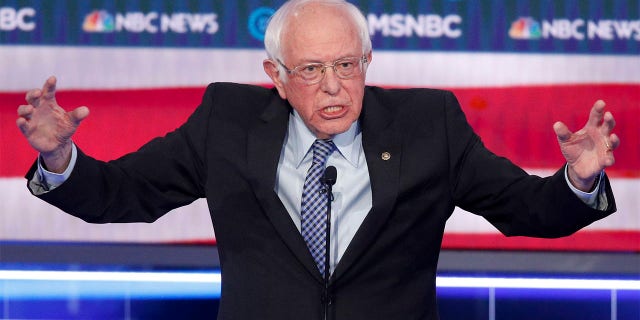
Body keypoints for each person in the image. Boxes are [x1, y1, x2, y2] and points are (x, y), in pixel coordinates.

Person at [16, 0, 620, 319]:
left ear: (367, 61)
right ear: (275, 76)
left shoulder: (428, 124)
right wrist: (62, 156)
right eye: (311, 69)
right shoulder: (226, 123)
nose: (333, 86)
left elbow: (525, 209)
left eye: (347, 64)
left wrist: (579, 179)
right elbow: (126, 194)